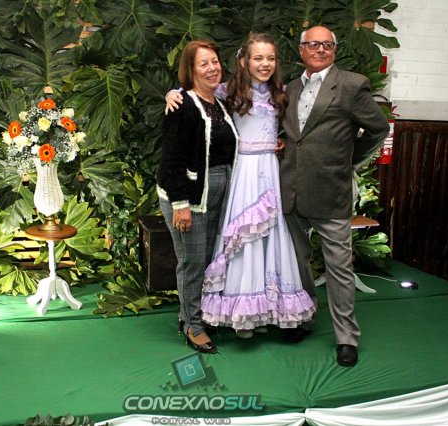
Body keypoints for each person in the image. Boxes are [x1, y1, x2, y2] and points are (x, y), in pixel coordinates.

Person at [166, 33, 316, 340]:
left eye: (270, 58)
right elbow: (194, 92)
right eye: (257, 58)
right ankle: (242, 315)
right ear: (244, 61)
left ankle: (270, 311)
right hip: (242, 174)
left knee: (271, 239)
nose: (265, 64)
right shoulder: (228, 91)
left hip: (269, 172)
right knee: (241, 240)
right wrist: (172, 93)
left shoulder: (281, 93)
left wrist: (279, 143)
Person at [280, 25, 390, 366]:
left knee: (339, 268)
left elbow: (379, 128)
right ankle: (304, 317)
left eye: (327, 45)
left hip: (330, 192)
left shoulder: (352, 85)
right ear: (301, 50)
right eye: (313, 44)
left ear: (334, 50)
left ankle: (346, 337)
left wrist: (349, 160)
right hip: (290, 190)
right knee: (296, 262)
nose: (320, 50)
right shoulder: (290, 88)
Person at [158, 40, 239, 354]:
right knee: (192, 261)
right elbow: (171, 160)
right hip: (188, 196)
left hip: (217, 191)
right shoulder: (181, 105)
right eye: (203, 64)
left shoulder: (220, 103)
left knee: (206, 259)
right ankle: (193, 325)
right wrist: (181, 205)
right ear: (190, 70)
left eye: (215, 61)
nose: (212, 68)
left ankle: (189, 314)